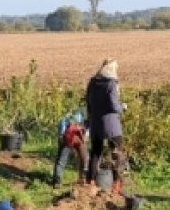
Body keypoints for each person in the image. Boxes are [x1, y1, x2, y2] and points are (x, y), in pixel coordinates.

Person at [86, 59, 127, 195]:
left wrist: (90, 119)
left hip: (95, 123)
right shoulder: (111, 84)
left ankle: (90, 183)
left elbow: (88, 103)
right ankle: (116, 185)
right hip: (110, 124)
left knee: (95, 153)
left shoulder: (93, 82)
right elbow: (114, 106)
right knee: (117, 153)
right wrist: (123, 107)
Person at [52, 112, 90, 187]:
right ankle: (57, 181)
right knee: (62, 158)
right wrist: (61, 134)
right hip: (68, 134)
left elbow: (88, 125)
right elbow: (63, 120)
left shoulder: (86, 111)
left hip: (80, 135)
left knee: (84, 157)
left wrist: (86, 136)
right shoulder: (70, 112)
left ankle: (82, 178)